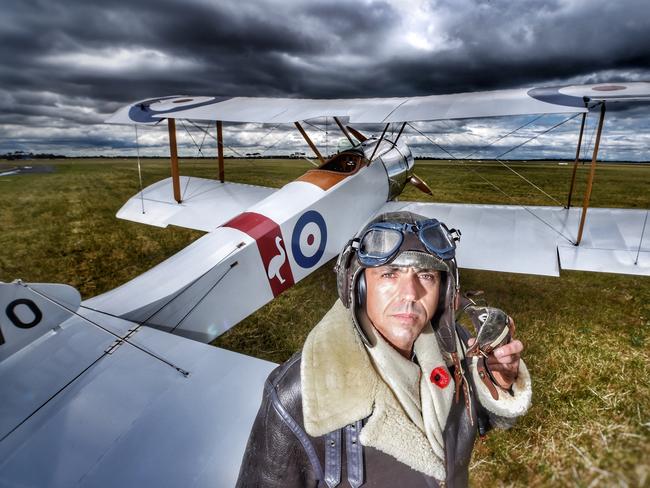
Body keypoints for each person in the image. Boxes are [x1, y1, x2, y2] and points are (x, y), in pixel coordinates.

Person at [236, 211, 532, 488]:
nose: (411, 293)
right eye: (390, 274)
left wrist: (496, 384)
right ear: (358, 285)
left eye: (426, 276)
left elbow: (470, 427)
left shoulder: (456, 347)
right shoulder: (300, 395)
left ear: (444, 290)